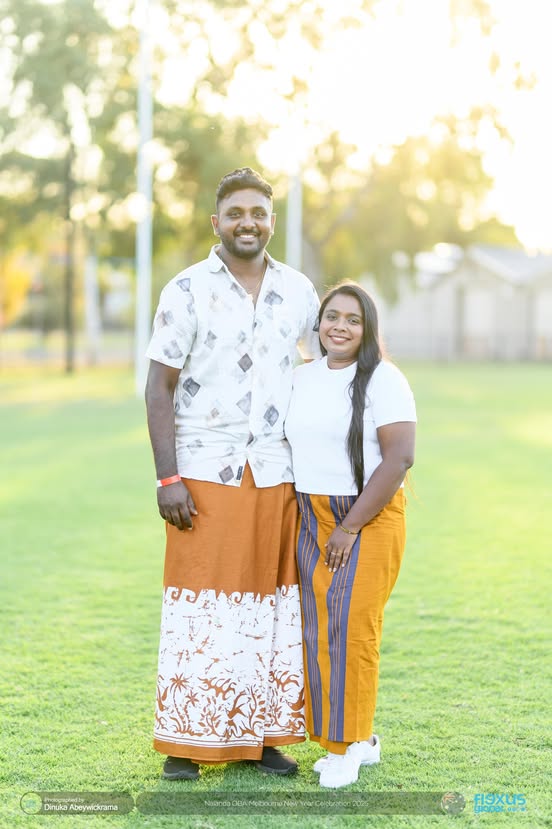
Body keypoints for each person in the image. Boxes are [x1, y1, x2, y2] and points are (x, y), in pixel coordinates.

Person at [144, 167, 321, 780]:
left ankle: (263, 738)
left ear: (271, 222)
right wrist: (168, 479)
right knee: (201, 608)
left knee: (269, 606)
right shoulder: (186, 289)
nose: (248, 222)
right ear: (216, 221)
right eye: (236, 212)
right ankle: (185, 744)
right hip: (203, 470)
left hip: (276, 470)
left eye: (259, 213)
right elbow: (159, 386)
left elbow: (322, 376)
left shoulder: (299, 292)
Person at [285, 282, 416, 789]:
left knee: (352, 632)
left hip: (366, 515)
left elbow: (400, 458)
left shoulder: (385, 379)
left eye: (353, 320)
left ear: (368, 330)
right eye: (331, 316)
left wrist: (349, 527)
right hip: (311, 512)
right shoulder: (302, 378)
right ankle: (353, 738)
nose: (340, 327)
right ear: (318, 325)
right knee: (320, 629)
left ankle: (347, 748)